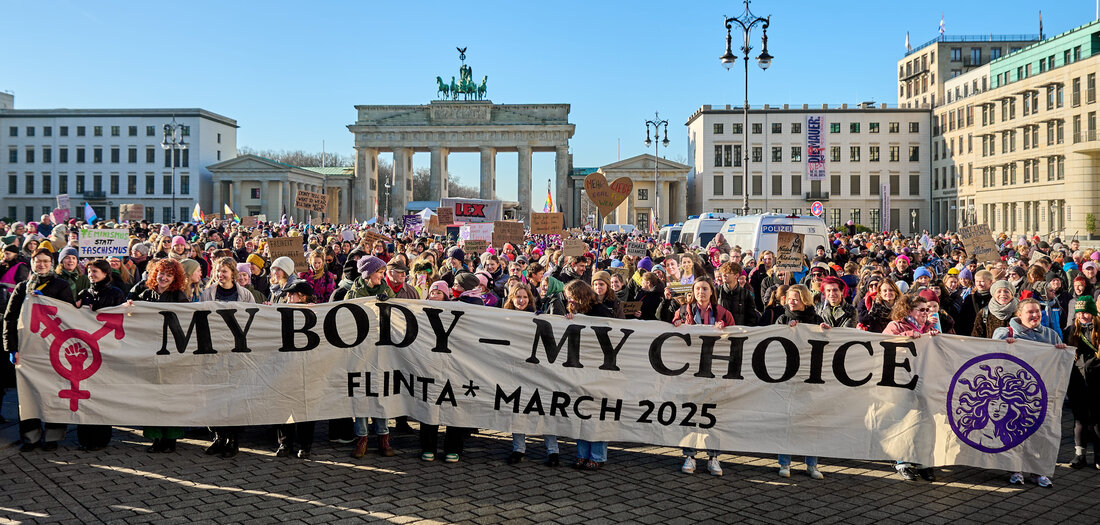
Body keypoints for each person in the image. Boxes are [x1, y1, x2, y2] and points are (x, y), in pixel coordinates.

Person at [4, 248, 75, 452]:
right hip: (28, 350)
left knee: (53, 393)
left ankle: (52, 437)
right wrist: (11, 348)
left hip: (53, 350)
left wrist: (47, 302)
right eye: (38, 261)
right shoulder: (21, 287)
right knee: (29, 395)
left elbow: (71, 316)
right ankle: (30, 438)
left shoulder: (61, 285)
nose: (42, 265)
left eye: (45, 261)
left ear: (51, 263)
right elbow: (10, 318)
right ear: (32, 263)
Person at [992, 298, 1066, 488]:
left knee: (1040, 431)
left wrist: (1060, 352)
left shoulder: (1050, 335)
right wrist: (1004, 346)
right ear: (1019, 314)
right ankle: (1015, 469)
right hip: (1013, 392)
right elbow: (992, 358)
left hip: (1040, 392)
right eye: (1030, 312)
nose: (1035, 315)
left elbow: (1058, 364)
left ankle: (1037, 470)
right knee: (1015, 429)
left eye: (1038, 312)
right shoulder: (1004, 332)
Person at [670, 278, 733, 476]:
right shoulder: (682, 311)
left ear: (711, 291)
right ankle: (690, 455)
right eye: (697, 289)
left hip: (715, 370)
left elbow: (735, 339)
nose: (701, 292)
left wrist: (726, 329)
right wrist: (676, 325)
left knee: (713, 414)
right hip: (690, 371)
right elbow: (672, 337)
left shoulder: (723, 313)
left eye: (705, 289)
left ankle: (714, 457)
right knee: (691, 412)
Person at [503, 285, 562, 467]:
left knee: (544, 409)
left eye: (525, 297)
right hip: (515, 370)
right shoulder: (503, 318)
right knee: (518, 410)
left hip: (537, 371)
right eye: (518, 297)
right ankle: (518, 448)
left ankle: (553, 451)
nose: (521, 301)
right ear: (511, 299)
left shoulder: (540, 316)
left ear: (530, 299)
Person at [72, 259, 127, 451]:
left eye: (95, 271)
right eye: (89, 271)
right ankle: (85, 438)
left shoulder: (116, 294)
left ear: (105, 273)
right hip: (85, 352)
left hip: (106, 352)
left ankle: (101, 438)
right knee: (85, 396)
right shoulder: (84, 293)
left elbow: (121, 321)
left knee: (102, 395)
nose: (91, 274)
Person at [773, 284, 826, 479]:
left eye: (795, 298)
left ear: (805, 299)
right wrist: (786, 331)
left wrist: (826, 331)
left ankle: (812, 464)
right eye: (789, 298)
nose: (791, 302)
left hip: (811, 376)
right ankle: (784, 463)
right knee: (788, 421)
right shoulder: (783, 318)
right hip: (788, 377)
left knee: (811, 423)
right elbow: (773, 342)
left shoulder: (817, 319)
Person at [563, 280, 613, 470]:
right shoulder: (575, 312)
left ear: (581, 295)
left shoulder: (600, 311)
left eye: (572, 296)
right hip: (580, 368)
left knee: (597, 414)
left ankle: (598, 456)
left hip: (599, 368)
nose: (569, 300)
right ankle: (582, 454)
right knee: (581, 411)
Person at [275, 280, 320, 458]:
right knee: (284, 405)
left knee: (305, 407)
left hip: (308, 367)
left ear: (301, 297)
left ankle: (304, 444)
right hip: (285, 366)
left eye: (290, 295)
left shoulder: (318, 312)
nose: (287, 298)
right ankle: (285, 443)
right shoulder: (281, 310)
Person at [1062, 295, 1100, 469]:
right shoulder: (1070, 331)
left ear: (1092, 312)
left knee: (1098, 421)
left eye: (1086, 312)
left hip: (1097, 381)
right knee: (1080, 420)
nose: (1083, 315)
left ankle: (1098, 456)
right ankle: (1080, 455)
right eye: (1079, 312)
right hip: (1077, 381)